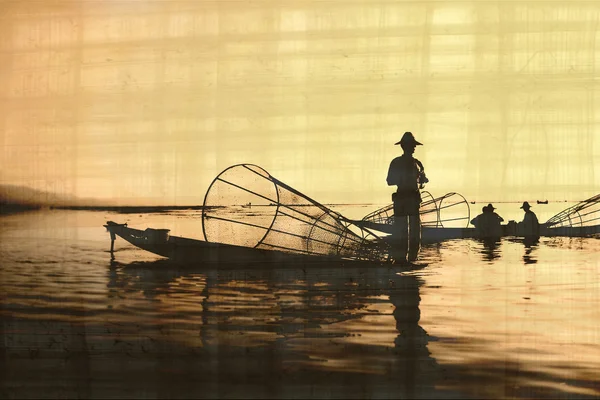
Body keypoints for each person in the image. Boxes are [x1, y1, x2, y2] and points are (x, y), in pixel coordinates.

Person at [386, 131, 428, 264]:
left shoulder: (416, 163)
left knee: (411, 229)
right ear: (406, 147)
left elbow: (423, 179)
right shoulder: (401, 163)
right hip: (405, 199)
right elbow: (390, 181)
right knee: (404, 229)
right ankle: (402, 259)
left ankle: (410, 258)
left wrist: (422, 179)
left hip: (409, 200)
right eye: (412, 145)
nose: (414, 147)